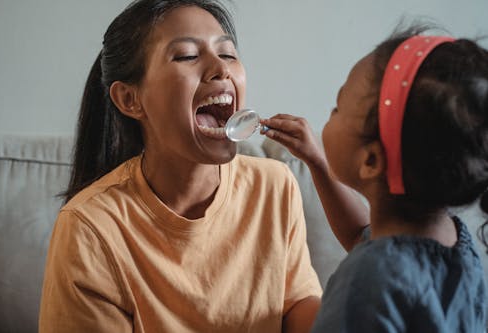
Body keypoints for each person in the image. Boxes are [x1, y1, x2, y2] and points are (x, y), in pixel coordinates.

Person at [38, 1, 323, 332]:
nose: (221, 69)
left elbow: (297, 304)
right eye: (187, 55)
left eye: (228, 54)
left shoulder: (274, 185)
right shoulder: (90, 227)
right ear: (131, 100)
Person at [261, 25, 488, 332]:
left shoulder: (366, 281)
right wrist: (317, 162)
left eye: (337, 108)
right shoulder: (454, 242)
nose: (329, 113)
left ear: (370, 160)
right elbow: (361, 236)